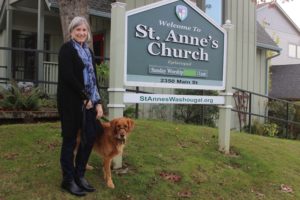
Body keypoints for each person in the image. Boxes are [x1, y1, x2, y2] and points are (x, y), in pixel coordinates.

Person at [57, 16, 103, 197]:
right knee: (69, 140)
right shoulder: (66, 50)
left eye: (84, 30)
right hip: (70, 102)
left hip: (90, 102)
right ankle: (67, 180)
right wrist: (84, 97)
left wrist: (98, 102)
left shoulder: (89, 52)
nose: (82, 33)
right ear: (71, 32)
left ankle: (79, 175)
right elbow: (68, 77)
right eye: (78, 30)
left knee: (89, 137)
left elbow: (93, 80)